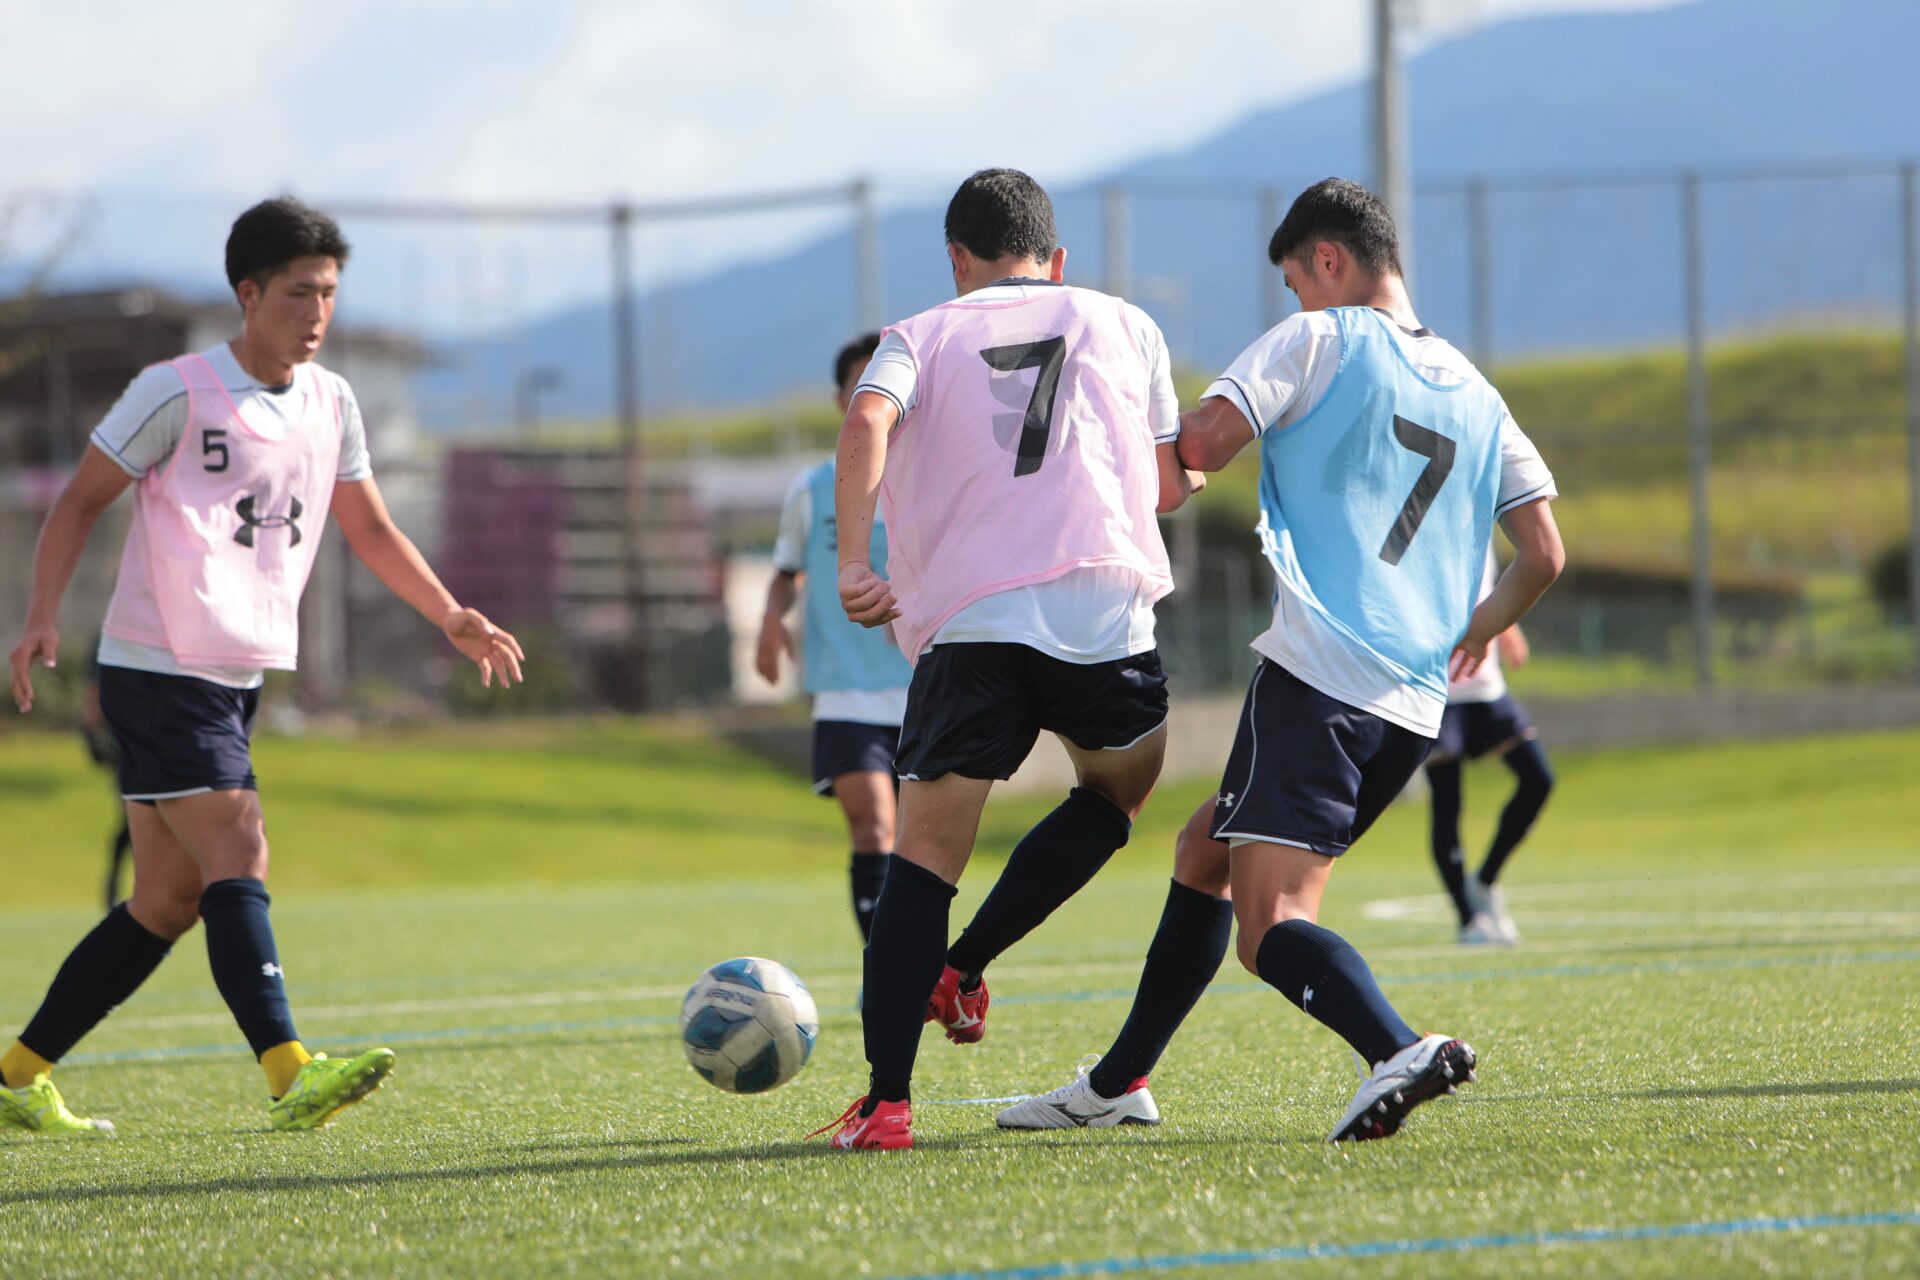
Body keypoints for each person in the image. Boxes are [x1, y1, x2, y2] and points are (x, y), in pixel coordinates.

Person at [996, 177, 1563, 1143]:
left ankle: (1397, 1047)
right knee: (1203, 853)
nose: (1296, 302)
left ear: (1330, 262)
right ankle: (1119, 1081)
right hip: (1412, 703)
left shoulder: (1318, 340)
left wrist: (1122, 419)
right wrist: (1477, 627)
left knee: (1269, 925)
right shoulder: (1477, 389)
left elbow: (1200, 448)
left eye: (1298, 281)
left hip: (1318, 677)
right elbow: (1544, 552)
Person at [3, 197, 524, 1137]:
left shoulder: (332, 401)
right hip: (159, 666)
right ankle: (290, 1072)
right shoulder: (176, 389)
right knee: (240, 846)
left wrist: (450, 614)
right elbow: (80, 501)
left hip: (234, 676)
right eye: (296, 294)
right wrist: (41, 616)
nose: (316, 313)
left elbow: (367, 525)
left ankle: (15, 1073)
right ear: (248, 294)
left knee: (165, 900)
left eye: (327, 294)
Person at [812, 168, 1201, 1151]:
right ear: (1056, 257)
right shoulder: (1125, 321)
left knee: (926, 857)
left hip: (974, 617)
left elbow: (865, 422)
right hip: (1104, 607)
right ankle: (968, 960)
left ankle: (889, 1103)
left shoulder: (921, 332)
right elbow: (1166, 488)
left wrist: (858, 562)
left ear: (957, 258)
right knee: (1114, 796)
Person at [757, 333, 912, 946]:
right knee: (874, 826)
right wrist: (772, 621)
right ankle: (886, 967)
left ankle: (920, 962)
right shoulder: (813, 489)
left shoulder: (933, 482)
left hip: (926, 688)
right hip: (846, 694)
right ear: (842, 400)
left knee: (921, 844)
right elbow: (786, 570)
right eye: (859, 387)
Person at [1427, 549, 1554, 946]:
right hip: (1437, 692)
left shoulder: (1483, 523)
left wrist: (1506, 626)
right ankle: (1469, 922)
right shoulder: (1422, 522)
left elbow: (1489, 589)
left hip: (1486, 689)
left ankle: (1485, 881)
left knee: (1538, 780)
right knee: (1448, 803)